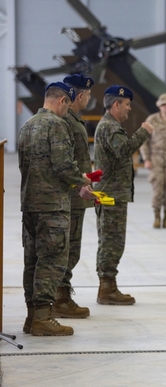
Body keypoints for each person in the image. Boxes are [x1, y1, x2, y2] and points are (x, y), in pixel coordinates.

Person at [19, 82, 92, 336]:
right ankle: (43, 317)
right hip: (52, 207)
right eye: (67, 106)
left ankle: (32, 316)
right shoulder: (57, 125)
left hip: (29, 205)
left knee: (32, 261)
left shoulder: (27, 126)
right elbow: (63, 167)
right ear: (62, 101)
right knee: (51, 262)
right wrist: (82, 180)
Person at [94, 85, 153, 305]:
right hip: (111, 195)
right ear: (116, 104)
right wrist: (144, 132)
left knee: (112, 240)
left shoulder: (111, 126)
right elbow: (124, 150)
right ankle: (107, 288)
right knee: (112, 241)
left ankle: (108, 286)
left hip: (112, 193)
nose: (129, 109)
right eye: (127, 104)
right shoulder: (110, 127)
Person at [51, 74, 96, 320]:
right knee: (68, 249)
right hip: (71, 194)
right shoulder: (66, 120)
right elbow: (65, 160)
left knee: (71, 249)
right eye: (88, 95)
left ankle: (62, 295)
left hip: (76, 192)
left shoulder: (72, 118)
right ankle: (61, 298)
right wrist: (79, 185)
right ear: (80, 96)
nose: (89, 99)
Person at [140, 93, 166, 229]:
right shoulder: (152, 120)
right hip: (156, 159)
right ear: (159, 106)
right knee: (157, 190)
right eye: (163, 105)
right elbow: (144, 140)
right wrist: (146, 159)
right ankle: (157, 217)